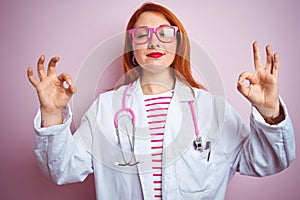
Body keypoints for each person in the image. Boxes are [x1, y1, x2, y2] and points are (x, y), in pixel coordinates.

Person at [27, 2, 295, 200]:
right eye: (142, 35)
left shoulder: (211, 109)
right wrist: (51, 114)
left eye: (165, 34)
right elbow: (62, 169)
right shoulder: (105, 109)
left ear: (177, 45)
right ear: (133, 51)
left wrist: (269, 109)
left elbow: (267, 161)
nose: (154, 42)